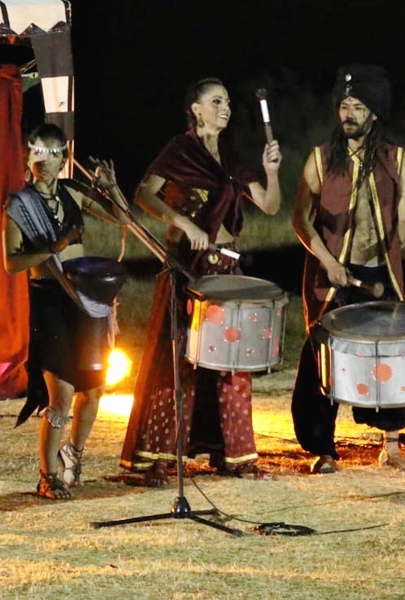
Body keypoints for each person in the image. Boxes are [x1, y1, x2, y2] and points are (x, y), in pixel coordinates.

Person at [120, 77, 282, 486]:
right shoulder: (180, 149)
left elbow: (269, 204)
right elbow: (145, 193)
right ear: (196, 109)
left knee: (231, 364)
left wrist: (271, 171)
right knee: (179, 364)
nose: (225, 107)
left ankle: (235, 455)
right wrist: (181, 221)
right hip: (189, 267)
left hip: (226, 269)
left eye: (228, 101)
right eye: (216, 101)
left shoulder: (228, 155)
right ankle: (159, 456)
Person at [291, 64, 405, 474]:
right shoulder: (321, 159)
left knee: (390, 355)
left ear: (375, 113)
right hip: (330, 276)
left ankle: (391, 446)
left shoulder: (395, 158)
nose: (348, 114)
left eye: (358, 107)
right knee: (322, 357)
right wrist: (328, 262)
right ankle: (323, 449)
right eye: (344, 105)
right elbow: (300, 219)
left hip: (381, 271)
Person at [4, 123, 131, 499]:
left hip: (86, 296)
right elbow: (12, 263)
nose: (45, 161)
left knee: (93, 388)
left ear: (64, 157)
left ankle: (73, 454)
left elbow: (123, 218)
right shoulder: (18, 205)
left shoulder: (73, 192)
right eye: (37, 153)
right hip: (49, 299)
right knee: (61, 392)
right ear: (28, 156)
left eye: (53, 153)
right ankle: (48, 475)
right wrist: (55, 246)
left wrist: (110, 187)